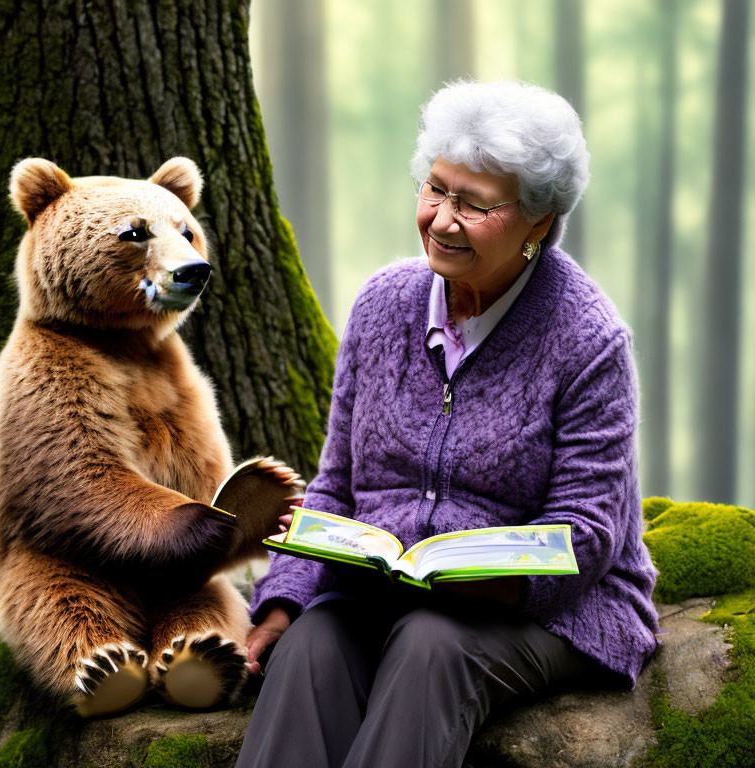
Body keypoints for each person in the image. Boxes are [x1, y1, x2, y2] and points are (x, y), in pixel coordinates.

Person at [235, 79, 662, 768]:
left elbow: (588, 534)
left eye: (474, 204)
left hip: (546, 612)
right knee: (313, 642)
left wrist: (485, 581)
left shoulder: (588, 340)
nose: (441, 219)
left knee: (432, 642)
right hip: (384, 590)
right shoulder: (381, 306)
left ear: (539, 222)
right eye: (435, 189)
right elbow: (334, 485)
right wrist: (285, 596)